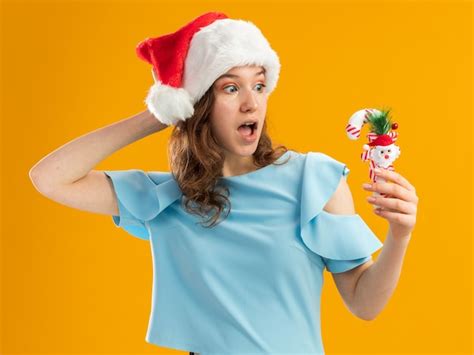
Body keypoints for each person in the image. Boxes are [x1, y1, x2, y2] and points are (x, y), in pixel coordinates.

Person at [29, 11, 418, 355]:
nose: (252, 103)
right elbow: (49, 178)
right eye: (231, 87)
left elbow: (364, 304)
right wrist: (162, 111)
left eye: (260, 85)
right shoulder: (169, 200)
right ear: (199, 104)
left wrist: (399, 234)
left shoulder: (313, 181)